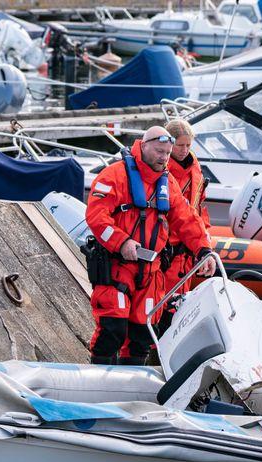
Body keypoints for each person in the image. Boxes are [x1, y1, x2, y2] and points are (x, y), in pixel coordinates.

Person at [85, 126, 216, 365]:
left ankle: (131, 384)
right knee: (112, 328)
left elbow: (186, 217)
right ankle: (99, 379)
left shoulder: (167, 184)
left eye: (167, 153)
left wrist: (203, 250)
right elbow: (96, 216)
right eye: (159, 151)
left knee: (143, 334)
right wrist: (121, 241)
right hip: (118, 265)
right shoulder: (114, 175)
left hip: (151, 269)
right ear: (144, 146)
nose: (164, 157)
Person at [159, 119, 212, 333]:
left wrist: (205, 240)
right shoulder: (160, 170)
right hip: (166, 253)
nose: (184, 150)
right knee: (161, 309)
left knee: (179, 311)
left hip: (186, 255)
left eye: (188, 145)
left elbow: (200, 210)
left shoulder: (195, 170)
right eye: (180, 145)